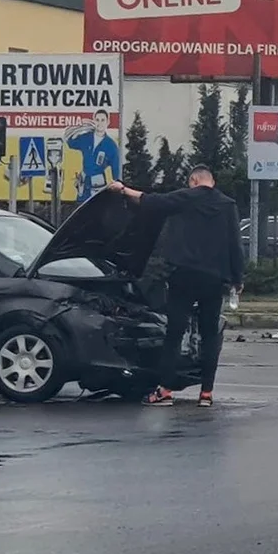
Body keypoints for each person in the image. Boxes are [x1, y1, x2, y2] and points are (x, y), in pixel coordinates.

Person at [107, 167, 243, 408]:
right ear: (213, 181)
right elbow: (235, 243)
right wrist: (237, 279)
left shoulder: (186, 198)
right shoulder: (228, 205)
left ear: (193, 181)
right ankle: (206, 394)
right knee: (210, 334)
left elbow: (152, 202)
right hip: (215, 278)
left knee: (175, 332)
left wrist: (123, 189)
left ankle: (165, 391)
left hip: (184, 275)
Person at [66, 110, 120, 201]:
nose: (100, 123)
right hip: (84, 181)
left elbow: (115, 170)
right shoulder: (86, 138)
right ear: (94, 121)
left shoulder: (111, 145)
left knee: (97, 207)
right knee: (81, 208)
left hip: (98, 182)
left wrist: (116, 190)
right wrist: (80, 128)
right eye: (97, 120)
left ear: (108, 122)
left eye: (103, 120)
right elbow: (70, 143)